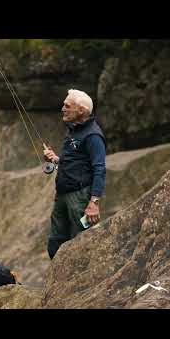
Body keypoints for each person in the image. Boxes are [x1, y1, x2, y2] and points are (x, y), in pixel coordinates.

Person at [43, 89, 106, 260]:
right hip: (62, 194)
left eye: (67, 106)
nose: (62, 108)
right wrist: (56, 159)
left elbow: (99, 169)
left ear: (81, 111)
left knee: (85, 242)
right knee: (55, 242)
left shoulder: (93, 136)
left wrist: (94, 203)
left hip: (79, 197)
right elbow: (75, 161)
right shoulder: (73, 129)